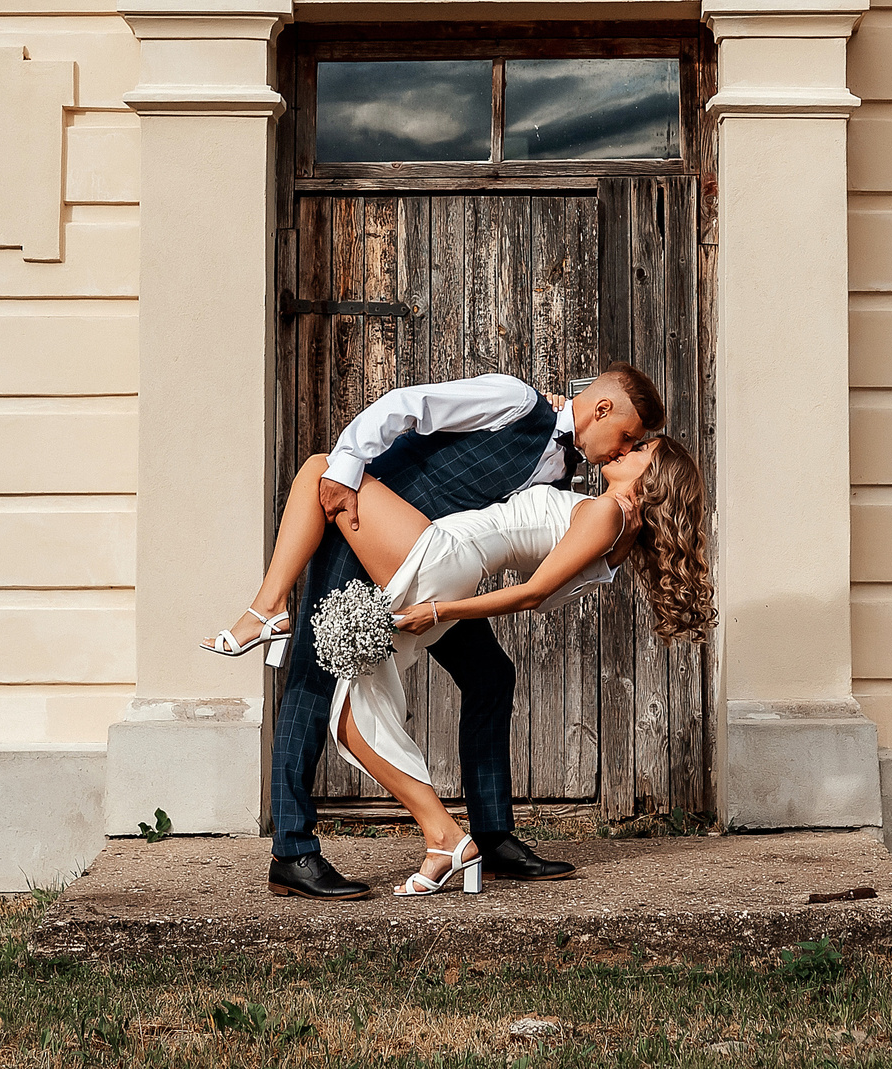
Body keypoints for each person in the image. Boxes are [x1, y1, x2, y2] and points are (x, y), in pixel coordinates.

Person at [199, 366, 664, 900]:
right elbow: (410, 404)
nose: (620, 451)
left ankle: (491, 837)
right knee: (315, 672)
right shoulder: (516, 402)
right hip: (366, 533)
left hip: (433, 573)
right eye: (626, 437)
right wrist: (347, 466)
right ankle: (293, 849)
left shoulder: (564, 475)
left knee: (491, 676)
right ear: (602, 409)